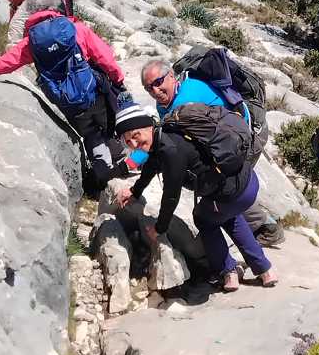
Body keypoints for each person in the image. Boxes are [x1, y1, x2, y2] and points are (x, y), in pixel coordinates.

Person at [0, 0, 128, 185]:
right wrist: (118, 79)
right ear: (55, 7)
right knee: (110, 126)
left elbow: (7, 62)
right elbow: (105, 57)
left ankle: (103, 177)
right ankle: (122, 164)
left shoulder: (32, 41)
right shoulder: (76, 28)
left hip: (68, 103)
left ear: (33, 11)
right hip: (93, 92)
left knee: (91, 135)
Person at [113, 103, 278, 292]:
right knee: (228, 217)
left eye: (136, 136)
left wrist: (159, 228)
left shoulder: (171, 151)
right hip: (247, 180)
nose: (134, 144)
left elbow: (171, 196)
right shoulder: (168, 133)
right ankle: (265, 270)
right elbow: (152, 165)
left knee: (204, 218)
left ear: (148, 127)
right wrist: (135, 191)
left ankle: (227, 272)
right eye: (128, 141)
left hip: (232, 193)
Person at [140, 58, 285, 247]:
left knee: (227, 189)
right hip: (228, 137)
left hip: (245, 136)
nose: (155, 91)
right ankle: (253, 230)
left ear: (170, 76)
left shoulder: (184, 100)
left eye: (158, 83)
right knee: (223, 189)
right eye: (148, 88)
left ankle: (267, 229)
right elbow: (165, 140)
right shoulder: (168, 100)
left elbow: (163, 142)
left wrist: (133, 161)